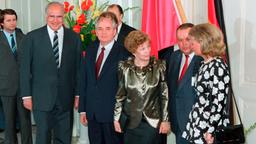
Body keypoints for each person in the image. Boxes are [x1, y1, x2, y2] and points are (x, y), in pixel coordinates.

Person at [19, 2, 81, 144]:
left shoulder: (74, 38)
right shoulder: (32, 37)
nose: (55, 20)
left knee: (64, 137)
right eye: (51, 16)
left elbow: (78, 69)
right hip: (41, 98)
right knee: (43, 137)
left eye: (59, 16)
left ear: (64, 16)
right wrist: (26, 95)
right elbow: (24, 69)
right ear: (46, 16)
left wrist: (78, 94)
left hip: (66, 97)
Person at [79, 12, 130, 144]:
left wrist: (121, 116)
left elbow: (127, 88)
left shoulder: (124, 54)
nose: (103, 32)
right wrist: (83, 109)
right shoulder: (90, 50)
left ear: (115, 31)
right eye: (100, 28)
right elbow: (84, 80)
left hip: (113, 116)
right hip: (92, 114)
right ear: (95, 31)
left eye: (108, 28)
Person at [113, 30, 170, 144]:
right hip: (131, 123)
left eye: (148, 47)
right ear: (134, 52)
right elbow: (120, 95)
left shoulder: (159, 66)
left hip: (152, 123)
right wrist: (116, 118)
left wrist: (165, 120)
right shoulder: (124, 68)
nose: (147, 51)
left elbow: (164, 96)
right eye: (142, 49)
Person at [181, 23, 230, 144]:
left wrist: (211, 130)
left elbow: (219, 102)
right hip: (199, 122)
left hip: (209, 127)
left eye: (193, 42)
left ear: (203, 41)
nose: (190, 46)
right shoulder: (205, 63)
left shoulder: (218, 66)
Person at [0, 8, 33, 144]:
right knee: (9, 121)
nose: (12, 23)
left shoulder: (23, 37)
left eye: (14, 20)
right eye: (9, 20)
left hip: (23, 86)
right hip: (5, 85)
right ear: (1, 23)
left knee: (25, 121)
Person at [167, 23, 203, 144]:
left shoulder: (203, 60)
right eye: (180, 40)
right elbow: (171, 90)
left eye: (188, 39)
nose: (184, 44)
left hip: (197, 125)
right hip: (177, 123)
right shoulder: (174, 57)